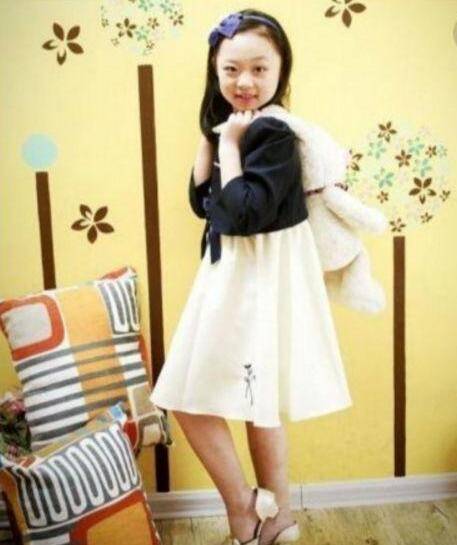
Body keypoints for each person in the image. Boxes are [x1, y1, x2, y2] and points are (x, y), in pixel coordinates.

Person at [151, 8, 353, 545]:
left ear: (281, 70)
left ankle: (249, 511)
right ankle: (274, 518)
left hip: (253, 278)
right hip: (234, 273)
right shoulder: (237, 127)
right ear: (215, 72)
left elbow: (240, 212)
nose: (245, 81)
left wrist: (227, 147)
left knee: (194, 395)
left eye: (260, 69)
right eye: (231, 69)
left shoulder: (273, 133)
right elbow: (204, 204)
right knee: (253, 398)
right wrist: (210, 144)